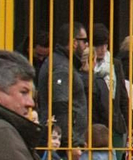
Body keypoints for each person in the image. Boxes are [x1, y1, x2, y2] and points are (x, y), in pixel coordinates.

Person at [35, 21, 98, 150]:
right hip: (65, 145)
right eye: (84, 40)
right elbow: (60, 105)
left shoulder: (64, 63)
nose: (87, 44)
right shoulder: (61, 67)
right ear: (74, 42)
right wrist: (70, 141)